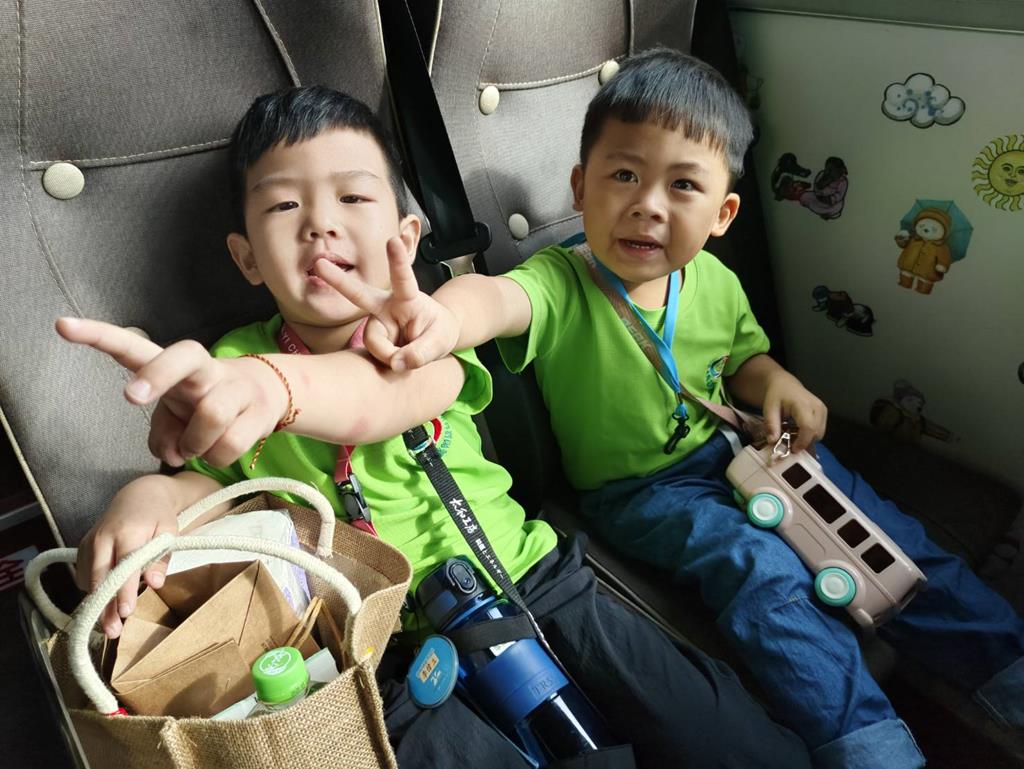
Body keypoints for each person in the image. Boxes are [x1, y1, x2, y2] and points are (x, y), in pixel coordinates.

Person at [56, 85, 810, 769]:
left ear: (406, 236)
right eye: (284, 207)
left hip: (530, 582)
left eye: (353, 197)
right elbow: (210, 481)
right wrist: (149, 499)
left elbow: (385, 398)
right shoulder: (230, 363)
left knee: (733, 741)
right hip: (376, 653)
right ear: (248, 258)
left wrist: (271, 387)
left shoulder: (423, 331)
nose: (320, 225)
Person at [328, 49, 1024, 769]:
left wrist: (778, 382)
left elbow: (742, 359)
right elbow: (498, 300)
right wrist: (443, 318)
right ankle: (867, 744)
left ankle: (1005, 670)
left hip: (747, 451)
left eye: (683, 184)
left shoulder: (714, 281)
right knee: (762, 574)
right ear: (581, 186)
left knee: (888, 537)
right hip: (641, 493)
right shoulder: (562, 281)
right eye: (624, 175)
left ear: (723, 213)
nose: (648, 204)